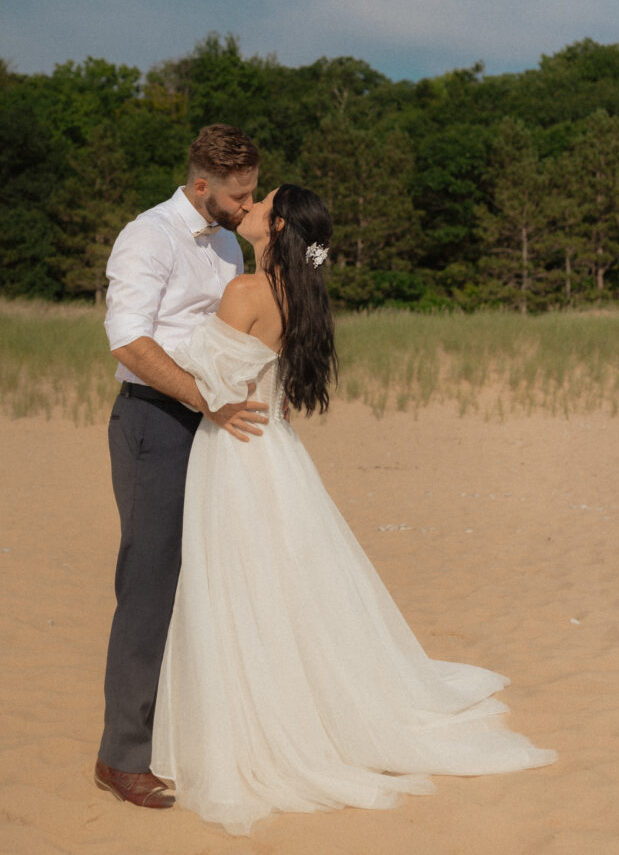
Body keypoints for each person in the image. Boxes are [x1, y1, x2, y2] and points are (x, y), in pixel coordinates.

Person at [150, 183, 556, 835]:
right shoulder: (294, 296)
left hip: (236, 448)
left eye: (261, 202)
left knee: (240, 580)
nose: (248, 206)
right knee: (279, 581)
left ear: (275, 224)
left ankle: (257, 715)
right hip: (275, 449)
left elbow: (207, 382)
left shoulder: (245, 293)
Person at [95, 124, 269, 809]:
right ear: (202, 185)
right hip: (153, 422)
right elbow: (128, 340)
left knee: (209, 579)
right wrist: (207, 400)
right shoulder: (147, 235)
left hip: (213, 421)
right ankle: (121, 756)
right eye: (239, 194)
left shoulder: (227, 242)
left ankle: (185, 736)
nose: (246, 203)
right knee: (149, 583)